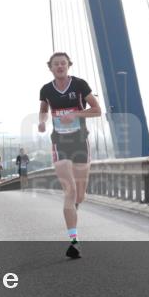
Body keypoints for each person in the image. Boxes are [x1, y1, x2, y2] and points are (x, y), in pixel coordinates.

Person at [38, 52, 101, 258]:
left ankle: (73, 211)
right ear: (51, 67)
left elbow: (97, 110)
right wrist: (41, 121)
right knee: (70, 190)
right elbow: (44, 108)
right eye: (56, 64)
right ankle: (74, 241)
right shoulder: (46, 89)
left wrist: (76, 114)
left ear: (68, 66)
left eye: (63, 63)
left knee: (80, 195)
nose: (60, 66)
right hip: (60, 143)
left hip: (80, 142)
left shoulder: (80, 85)